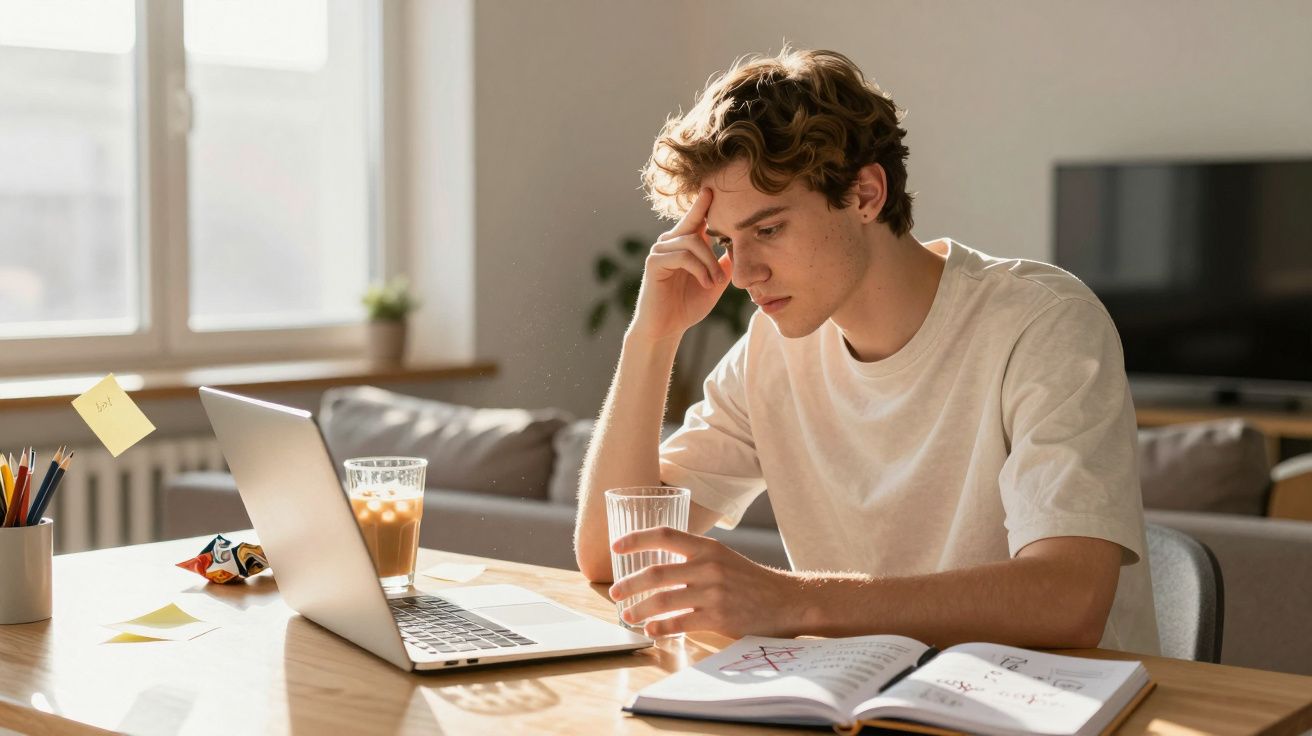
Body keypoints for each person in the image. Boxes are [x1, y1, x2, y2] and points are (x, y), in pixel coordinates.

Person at [572, 47, 1159, 654]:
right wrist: (652, 337)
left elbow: (1070, 600)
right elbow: (612, 557)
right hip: (866, 699)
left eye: (768, 229)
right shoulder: (769, 353)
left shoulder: (1043, 325)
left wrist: (792, 600)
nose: (742, 273)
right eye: (725, 240)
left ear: (866, 195)